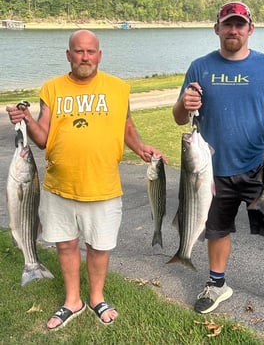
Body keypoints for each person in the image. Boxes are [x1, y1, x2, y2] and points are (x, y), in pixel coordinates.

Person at [7, 29, 167, 331]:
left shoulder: (118, 88)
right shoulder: (52, 88)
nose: (85, 57)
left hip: (103, 185)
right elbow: (43, 138)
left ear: (99, 55)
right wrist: (26, 120)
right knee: (66, 246)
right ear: (69, 55)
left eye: (90, 51)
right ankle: (72, 301)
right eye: (79, 51)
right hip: (59, 186)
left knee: (99, 247)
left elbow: (126, 125)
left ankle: (96, 297)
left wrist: (141, 146)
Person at [173, 1, 264, 319]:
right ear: (217, 29)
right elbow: (180, 117)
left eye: (240, 24)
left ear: (250, 29)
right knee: (216, 230)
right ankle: (216, 283)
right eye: (228, 24)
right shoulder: (200, 67)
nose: (234, 30)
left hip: (260, 168)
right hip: (211, 172)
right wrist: (184, 103)